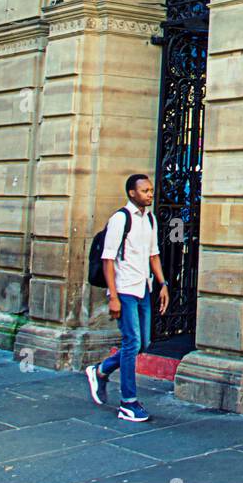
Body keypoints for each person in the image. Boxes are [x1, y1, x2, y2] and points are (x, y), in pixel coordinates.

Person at [85, 174, 169, 423]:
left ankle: (101, 370)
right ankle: (128, 403)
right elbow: (108, 259)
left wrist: (162, 283)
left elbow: (154, 255)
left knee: (143, 343)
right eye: (145, 190)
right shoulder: (120, 219)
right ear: (132, 193)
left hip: (143, 288)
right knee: (132, 342)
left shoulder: (150, 219)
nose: (150, 194)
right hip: (124, 289)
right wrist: (113, 296)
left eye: (151, 190)